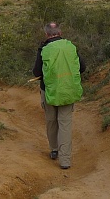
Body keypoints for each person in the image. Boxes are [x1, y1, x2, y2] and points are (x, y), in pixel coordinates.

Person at [32, 22, 86, 169]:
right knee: (65, 124)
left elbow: (36, 72)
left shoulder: (43, 49)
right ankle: (65, 161)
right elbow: (82, 67)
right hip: (68, 89)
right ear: (60, 32)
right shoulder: (70, 46)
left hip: (49, 91)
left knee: (51, 121)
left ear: (46, 34)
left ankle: (54, 149)